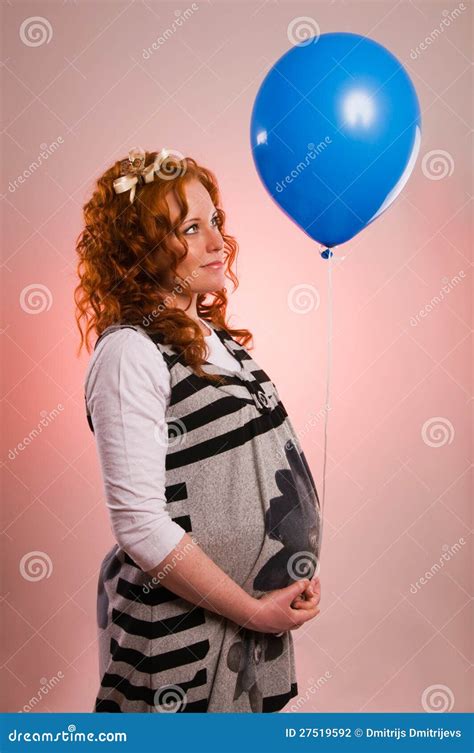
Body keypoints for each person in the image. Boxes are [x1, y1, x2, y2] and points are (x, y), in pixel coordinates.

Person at [75, 147, 322, 713]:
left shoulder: (216, 339)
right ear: (140, 246)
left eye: (214, 221)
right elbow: (139, 526)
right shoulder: (130, 354)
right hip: (178, 643)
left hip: (246, 633)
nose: (217, 242)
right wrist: (252, 609)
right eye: (191, 228)